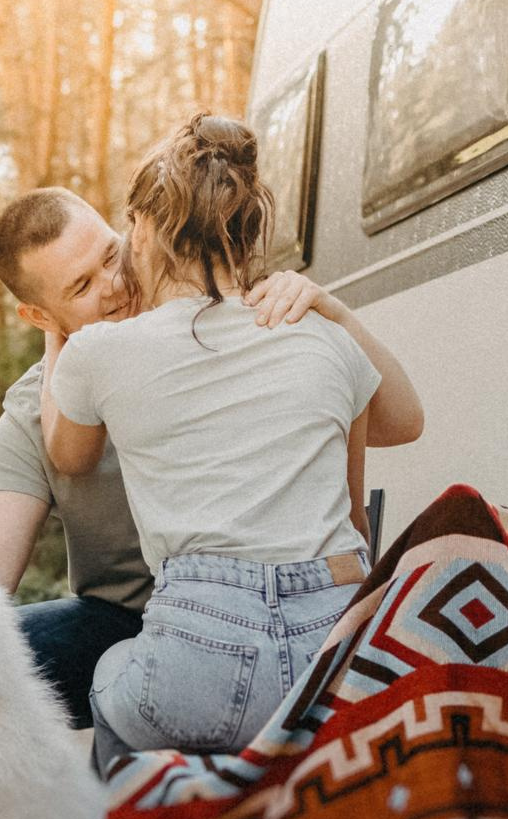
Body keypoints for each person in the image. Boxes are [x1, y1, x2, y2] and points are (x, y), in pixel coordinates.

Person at [43, 113, 425, 772]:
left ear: (146, 229)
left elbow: (66, 452)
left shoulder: (98, 352)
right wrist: (331, 308)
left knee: (112, 675)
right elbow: (398, 435)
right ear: (246, 231)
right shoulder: (322, 339)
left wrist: (57, 334)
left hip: (199, 648)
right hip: (337, 653)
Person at [0, 188, 152, 729]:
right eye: (82, 286)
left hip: (242, 601)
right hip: (123, 622)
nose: (115, 286)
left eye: (111, 256)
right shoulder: (29, 415)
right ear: (39, 315)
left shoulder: (194, 323)